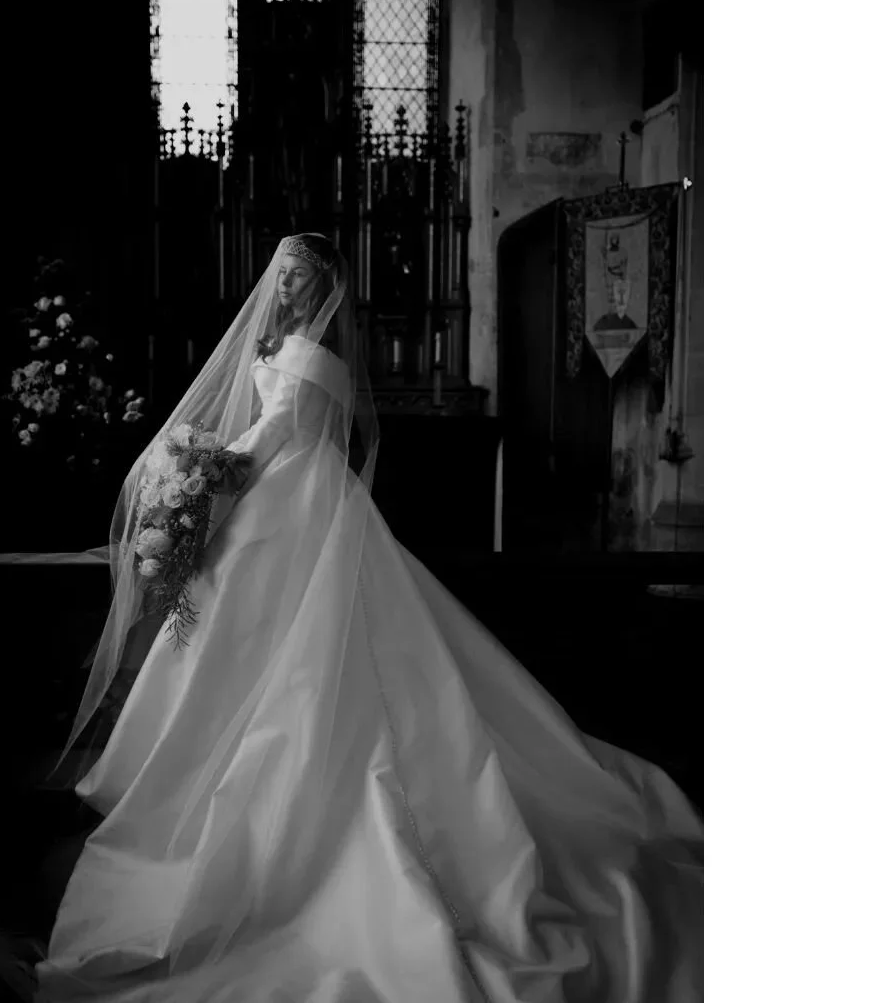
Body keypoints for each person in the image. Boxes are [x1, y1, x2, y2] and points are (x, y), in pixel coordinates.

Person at [35, 234, 702, 1002]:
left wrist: (195, 470)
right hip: (290, 498)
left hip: (293, 503)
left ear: (321, 288)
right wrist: (202, 471)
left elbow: (269, 440)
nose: (283, 289)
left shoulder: (309, 359)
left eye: (296, 279)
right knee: (244, 635)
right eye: (282, 277)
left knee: (305, 645)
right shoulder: (292, 348)